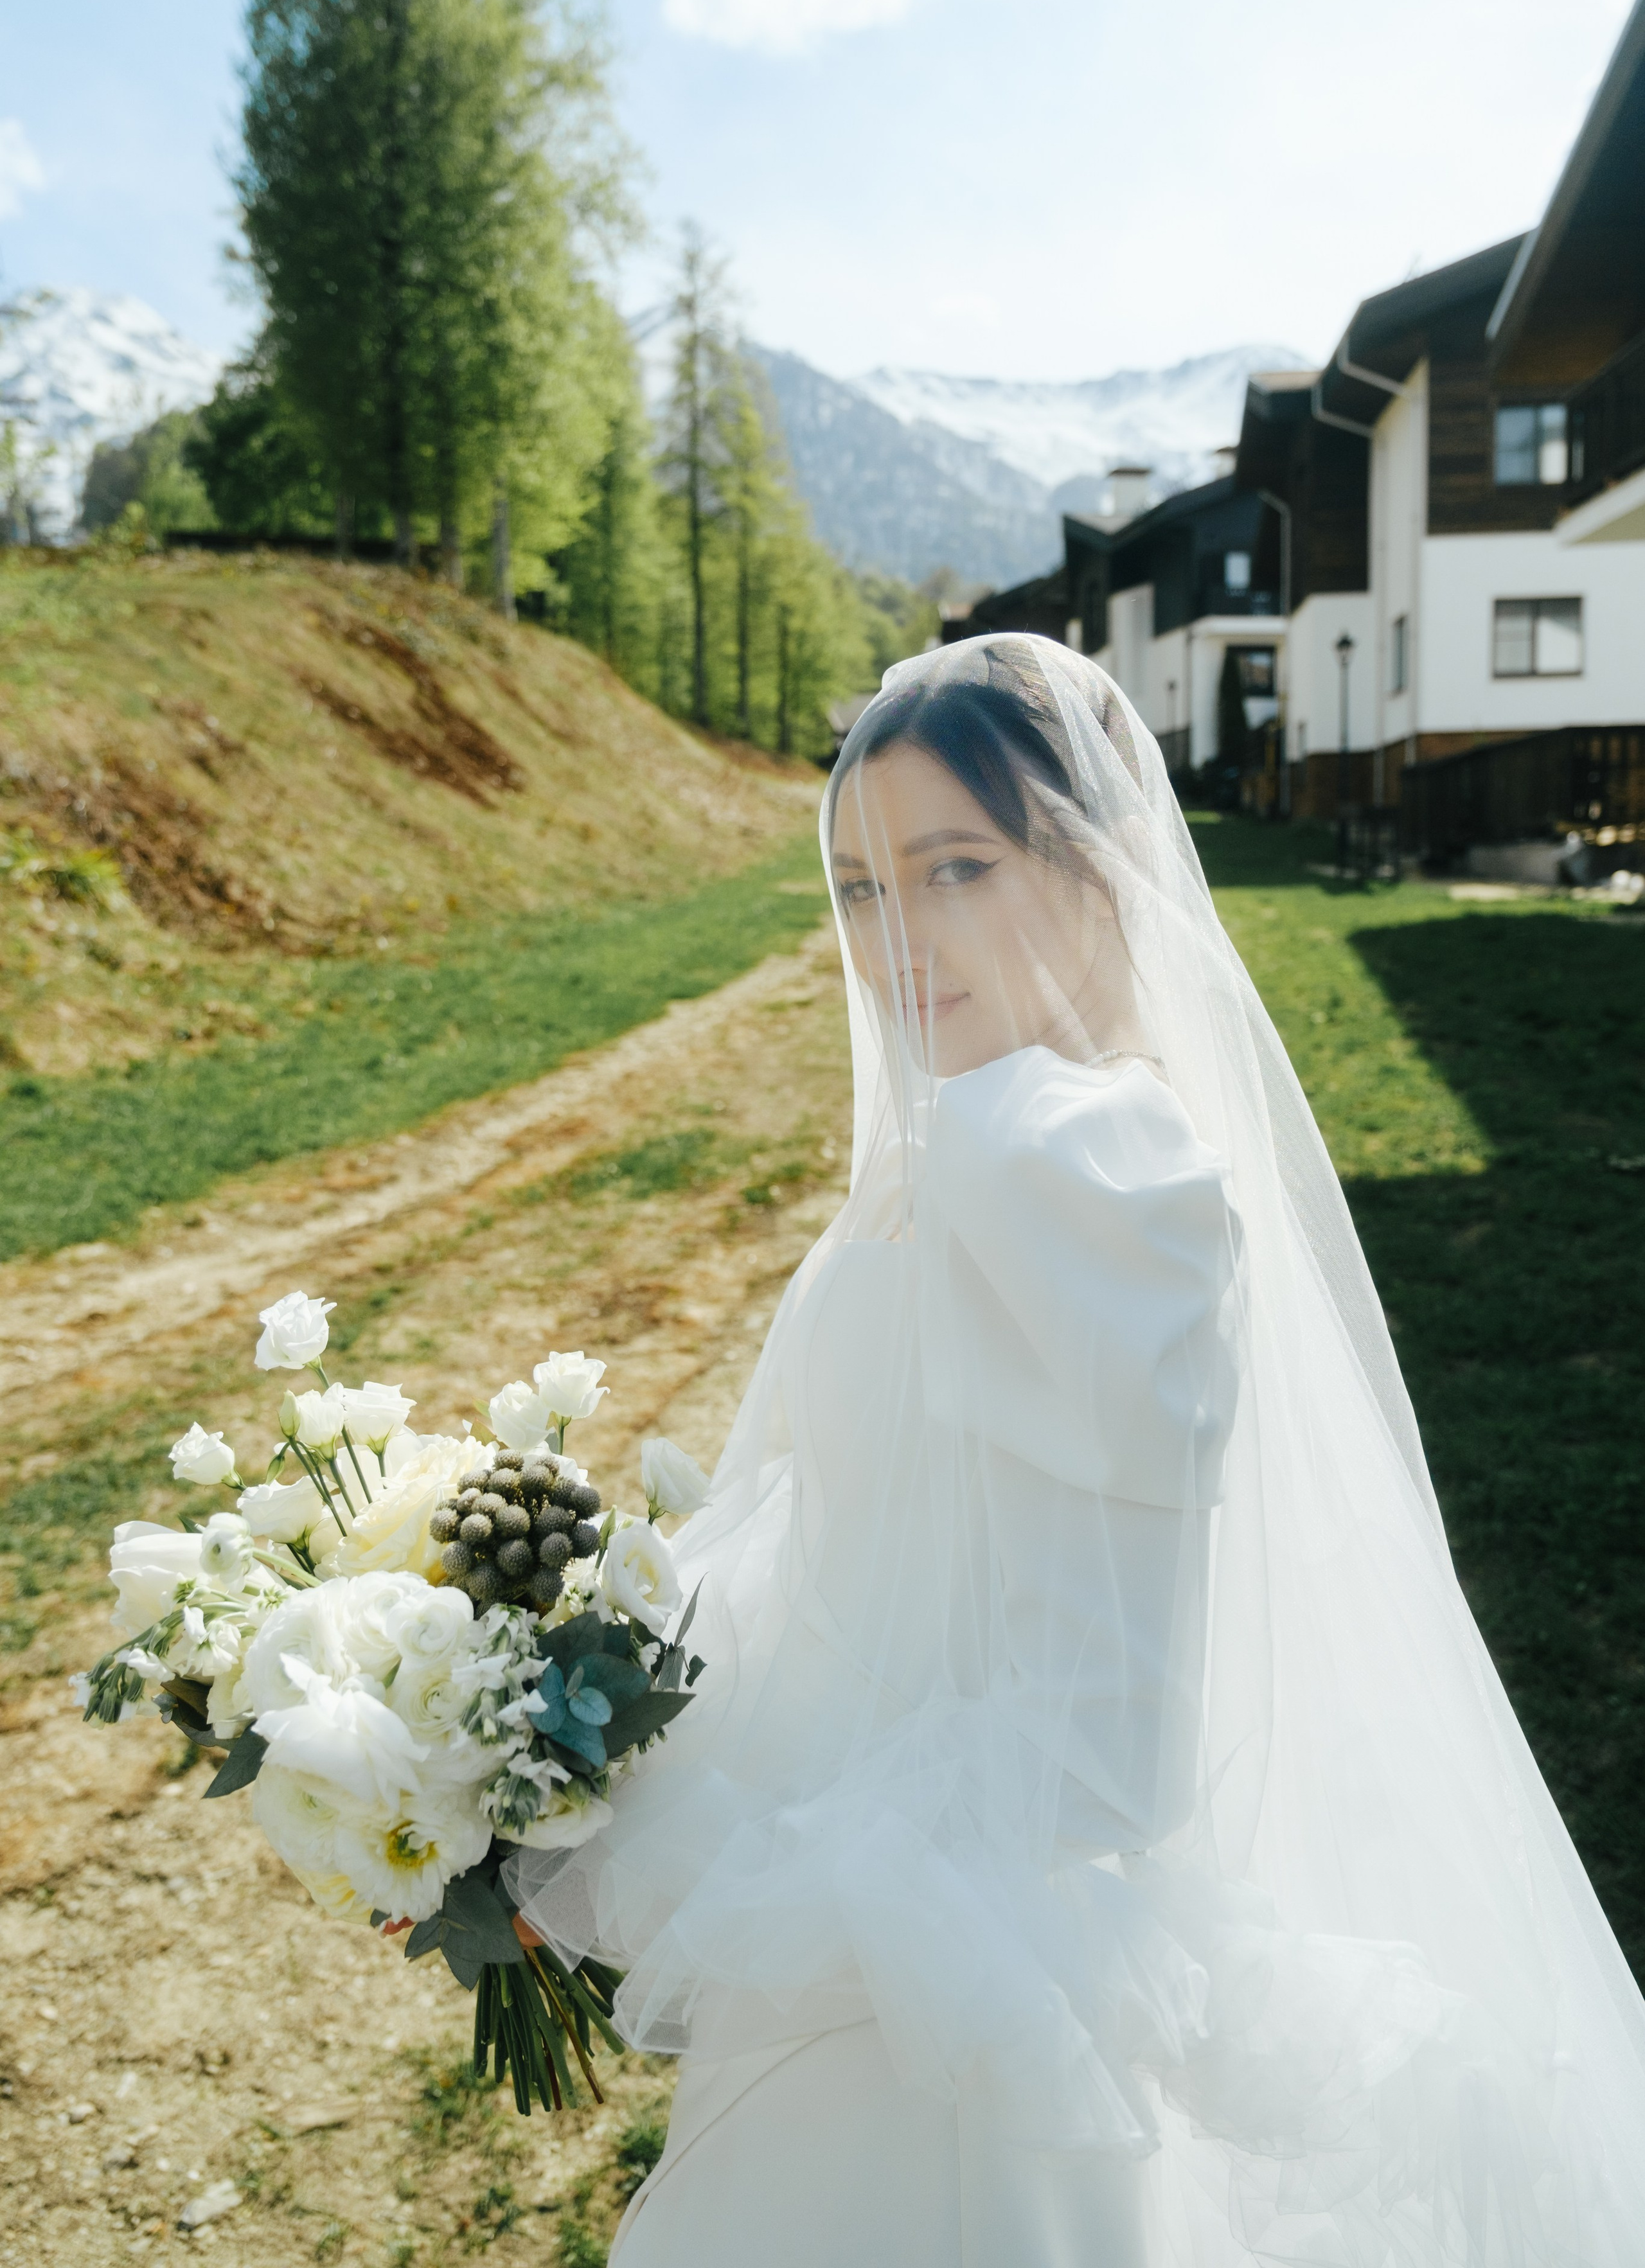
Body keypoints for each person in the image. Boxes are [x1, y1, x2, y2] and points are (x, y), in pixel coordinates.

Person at [510, 635, 1645, 2265]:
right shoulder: (959, 1153)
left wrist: (728, 1872)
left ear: (1095, 865)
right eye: (857, 890)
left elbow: (1101, 1754)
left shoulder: (1074, 1169)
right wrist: (534, 1747)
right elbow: (841, 1550)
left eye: (952, 869)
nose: (896, 943)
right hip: (916, 1962)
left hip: (984, 2023)